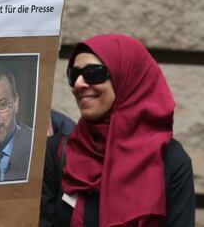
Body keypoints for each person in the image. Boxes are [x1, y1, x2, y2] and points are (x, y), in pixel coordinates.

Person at [40, 34, 195, 226]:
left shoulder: (170, 160)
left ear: (127, 79)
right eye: (74, 74)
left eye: (93, 73)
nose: (79, 84)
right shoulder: (56, 153)